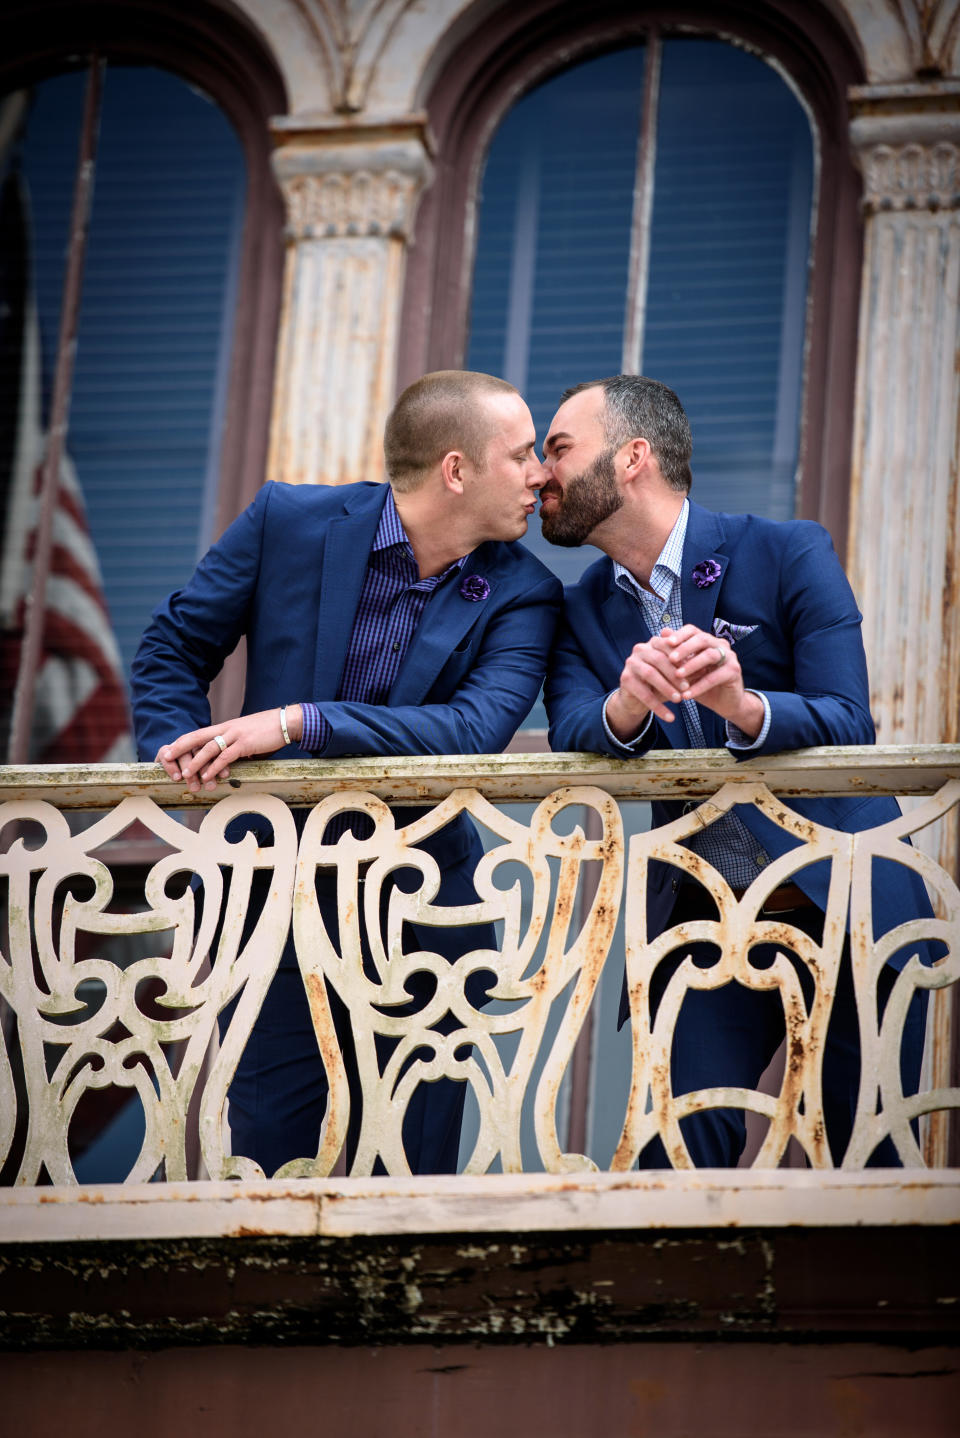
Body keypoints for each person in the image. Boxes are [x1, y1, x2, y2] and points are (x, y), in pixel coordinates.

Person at [131, 369, 561, 1176]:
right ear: (456, 470)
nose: (540, 474)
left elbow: (470, 732)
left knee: (410, 1179)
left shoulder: (526, 592)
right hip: (269, 902)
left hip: (428, 918)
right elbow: (171, 649)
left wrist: (300, 723)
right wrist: (181, 769)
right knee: (270, 1169)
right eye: (523, 454)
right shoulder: (287, 520)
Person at [540, 373, 933, 1168]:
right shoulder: (578, 608)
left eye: (558, 449)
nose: (539, 474)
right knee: (672, 1145)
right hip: (705, 917)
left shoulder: (787, 550)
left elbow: (848, 718)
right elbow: (573, 726)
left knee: (871, 1154)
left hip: (846, 894)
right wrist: (627, 706)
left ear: (631, 458)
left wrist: (742, 703)